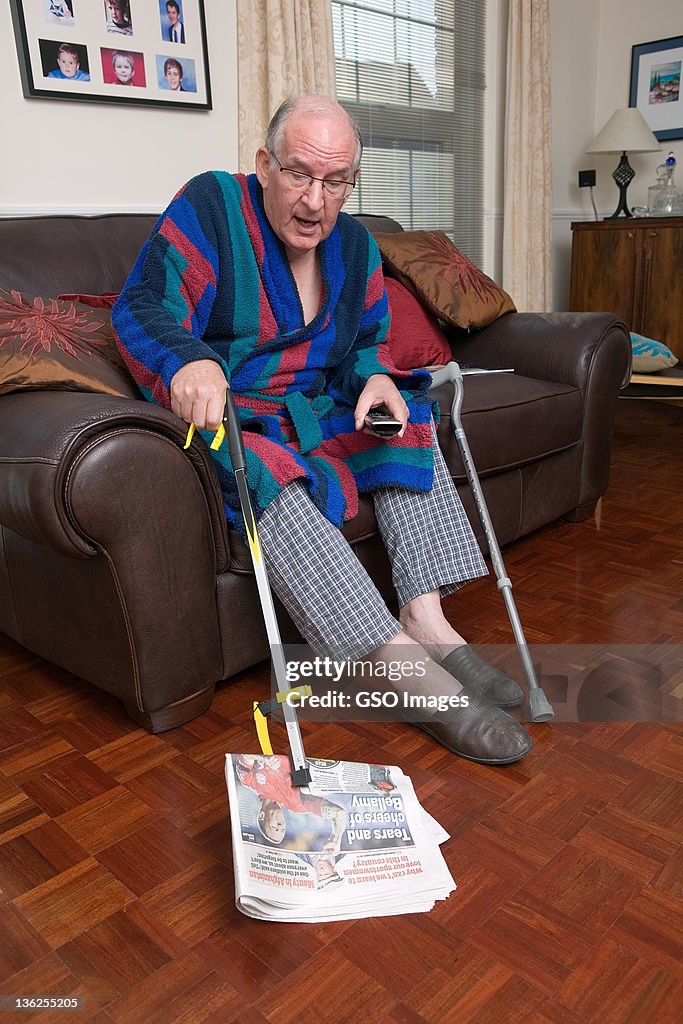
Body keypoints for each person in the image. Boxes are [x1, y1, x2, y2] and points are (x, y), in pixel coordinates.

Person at [112, 94, 532, 766]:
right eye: (300, 174)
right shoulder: (212, 205)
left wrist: (375, 380)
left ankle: (424, 619)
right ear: (263, 164)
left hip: (315, 406)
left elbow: (365, 345)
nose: (315, 201)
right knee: (260, 468)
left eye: (336, 181)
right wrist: (187, 357)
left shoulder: (357, 244)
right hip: (236, 416)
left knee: (405, 415)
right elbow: (141, 305)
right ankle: (400, 670)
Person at [235, 756, 347, 849]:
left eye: (275, 828)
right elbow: (339, 813)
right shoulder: (296, 805)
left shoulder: (249, 782)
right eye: (283, 829)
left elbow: (245, 756)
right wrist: (336, 840)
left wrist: (263, 758)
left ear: (261, 816)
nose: (281, 825)